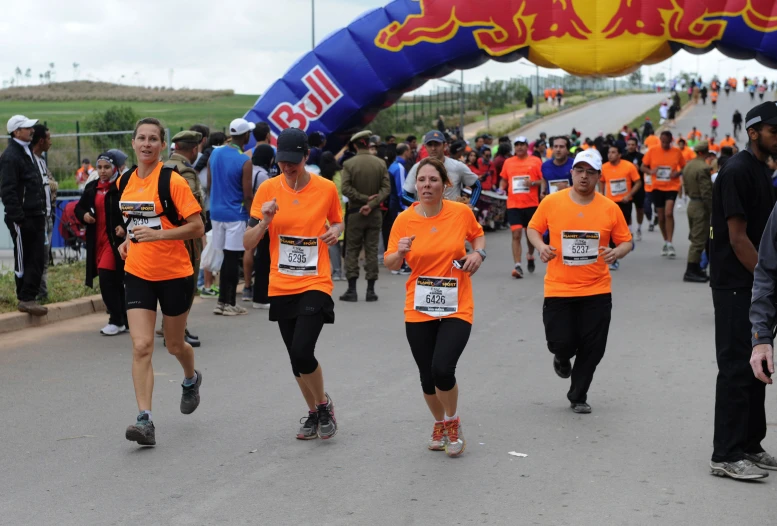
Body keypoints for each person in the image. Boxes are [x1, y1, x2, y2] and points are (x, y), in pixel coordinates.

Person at [243, 127, 342, 441]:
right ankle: (314, 412)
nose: (287, 168)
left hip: (315, 280)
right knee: (294, 359)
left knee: (302, 350)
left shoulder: (325, 188)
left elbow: (337, 220)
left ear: (306, 156)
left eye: (293, 162)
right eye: (282, 162)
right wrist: (265, 221)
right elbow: (247, 242)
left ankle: (324, 405)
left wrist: (335, 231)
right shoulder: (268, 190)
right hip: (282, 283)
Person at [384, 157, 486, 457]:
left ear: (446, 185)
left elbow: (477, 236)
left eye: (433, 180)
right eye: (422, 180)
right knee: (426, 375)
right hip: (418, 306)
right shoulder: (404, 220)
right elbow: (390, 261)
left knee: (443, 368)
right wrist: (398, 253)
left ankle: (452, 422)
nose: (427, 185)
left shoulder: (461, 213)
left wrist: (479, 255)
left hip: (456, 305)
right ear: (416, 185)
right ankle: (438, 423)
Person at [118, 117, 205, 446]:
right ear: (133, 142)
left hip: (174, 274)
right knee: (141, 346)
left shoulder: (173, 182)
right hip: (138, 272)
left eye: (153, 139)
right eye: (141, 137)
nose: (146, 144)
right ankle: (145, 420)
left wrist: (159, 235)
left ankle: (190, 378)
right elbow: (131, 219)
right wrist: (128, 240)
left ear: (161, 144)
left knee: (173, 345)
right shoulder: (124, 180)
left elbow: (197, 227)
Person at [527, 150, 632, 413]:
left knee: (593, 348)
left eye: (590, 172)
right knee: (560, 342)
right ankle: (561, 357)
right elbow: (533, 228)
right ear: (572, 172)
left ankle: (578, 394)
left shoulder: (610, 208)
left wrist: (615, 252)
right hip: (559, 287)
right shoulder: (552, 202)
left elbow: (626, 241)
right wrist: (541, 246)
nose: (584, 176)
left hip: (597, 288)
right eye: (580, 170)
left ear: (598, 176)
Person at [709, 102, 777, 480]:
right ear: (753, 132)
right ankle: (726, 453)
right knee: (736, 368)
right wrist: (767, 281)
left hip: (755, 286)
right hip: (737, 286)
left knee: (758, 366)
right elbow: (738, 239)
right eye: (774, 132)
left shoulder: (761, 169)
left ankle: (751, 444)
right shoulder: (735, 171)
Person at [75, 151, 127, 335]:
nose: (103, 171)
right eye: (100, 167)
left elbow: (133, 210)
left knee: (106, 277)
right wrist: (84, 216)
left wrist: (124, 226)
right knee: (114, 281)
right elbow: (79, 208)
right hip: (96, 240)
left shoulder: (124, 186)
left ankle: (116, 319)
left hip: (115, 243)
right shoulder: (92, 187)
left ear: (116, 168)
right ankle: (123, 318)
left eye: (107, 167)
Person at [0, 115, 48, 316]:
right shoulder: (11, 156)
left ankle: (31, 296)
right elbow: (7, 190)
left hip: (36, 215)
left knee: (37, 257)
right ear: (16, 132)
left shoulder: (27, 151)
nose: (31, 130)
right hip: (23, 218)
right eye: (27, 127)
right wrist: (18, 217)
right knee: (24, 257)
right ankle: (25, 298)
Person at [163, 130, 207, 347]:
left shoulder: (163, 167)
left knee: (171, 284)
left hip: (166, 234)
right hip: (186, 236)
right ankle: (178, 330)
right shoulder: (185, 171)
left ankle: (168, 327)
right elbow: (188, 205)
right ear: (194, 148)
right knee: (186, 284)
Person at [208, 118, 254, 315]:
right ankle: (228, 303)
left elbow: (209, 185)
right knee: (232, 258)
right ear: (245, 136)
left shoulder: (215, 153)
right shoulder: (245, 160)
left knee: (225, 256)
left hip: (216, 212)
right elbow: (247, 194)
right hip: (235, 214)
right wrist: (254, 217)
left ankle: (221, 302)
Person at [339, 130, 391, 302]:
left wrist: (362, 200)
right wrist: (372, 204)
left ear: (355, 145)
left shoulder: (349, 164)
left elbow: (345, 188)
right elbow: (386, 189)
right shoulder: (380, 164)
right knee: (372, 249)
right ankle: (371, 291)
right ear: (368, 144)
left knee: (352, 249)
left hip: (355, 213)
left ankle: (352, 290)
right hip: (375, 213)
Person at [402, 130, 481, 207]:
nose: (433, 148)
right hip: (427, 218)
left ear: (444, 145)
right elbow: (405, 195)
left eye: (437, 144)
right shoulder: (418, 168)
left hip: (451, 217)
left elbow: (477, 185)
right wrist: (421, 206)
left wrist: (471, 205)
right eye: (430, 145)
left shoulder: (457, 166)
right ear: (425, 146)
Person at [501, 136, 542, 278]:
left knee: (530, 236)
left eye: (522, 144)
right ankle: (517, 266)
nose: (519, 147)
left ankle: (530, 255)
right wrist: (501, 189)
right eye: (517, 144)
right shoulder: (508, 162)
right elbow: (504, 179)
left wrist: (532, 183)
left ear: (527, 146)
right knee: (516, 233)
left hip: (531, 204)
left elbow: (543, 180)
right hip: (513, 204)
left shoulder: (535, 161)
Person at [641, 131, 686, 258]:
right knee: (661, 217)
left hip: (672, 186)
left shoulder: (677, 152)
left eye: (667, 142)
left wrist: (677, 173)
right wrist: (650, 171)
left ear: (671, 141)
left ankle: (670, 243)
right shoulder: (653, 151)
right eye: (663, 142)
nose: (665, 144)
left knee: (668, 213)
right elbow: (642, 167)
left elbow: (684, 166)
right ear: (660, 140)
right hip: (657, 187)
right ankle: (666, 241)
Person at [599, 145, 641, 271]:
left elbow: (638, 182)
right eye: (609, 152)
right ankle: (614, 258)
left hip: (624, 201)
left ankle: (627, 240)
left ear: (619, 155)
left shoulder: (628, 166)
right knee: (611, 229)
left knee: (623, 226)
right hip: (610, 203)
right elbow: (601, 181)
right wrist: (601, 195)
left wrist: (629, 195)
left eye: (613, 152)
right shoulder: (604, 167)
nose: (610, 155)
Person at [30, 123, 57, 302]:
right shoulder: (29, 161)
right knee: (36, 258)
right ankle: (36, 293)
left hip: (48, 215)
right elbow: (50, 185)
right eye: (48, 138)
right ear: (41, 141)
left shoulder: (41, 161)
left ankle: (43, 292)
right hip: (36, 218)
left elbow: (53, 184)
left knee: (44, 258)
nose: (51, 142)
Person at [681, 141, 713, 283]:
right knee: (698, 240)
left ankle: (696, 269)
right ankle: (691, 270)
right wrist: (712, 209)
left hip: (692, 203)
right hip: (700, 205)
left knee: (696, 236)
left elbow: (686, 187)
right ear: (703, 152)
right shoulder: (704, 167)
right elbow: (706, 192)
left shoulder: (688, 166)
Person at [250, 144, 276, 306]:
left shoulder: (250, 169)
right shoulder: (263, 176)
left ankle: (250, 290)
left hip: (249, 217)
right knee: (264, 258)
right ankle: (261, 296)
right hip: (261, 218)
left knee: (257, 255)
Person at [318, 151, 344, 282]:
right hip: (342, 211)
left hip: (326, 213)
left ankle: (336, 271)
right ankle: (343, 271)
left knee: (331, 243)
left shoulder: (320, 178)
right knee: (342, 243)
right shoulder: (341, 174)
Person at [387, 143, 413, 275]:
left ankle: (398, 264)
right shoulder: (400, 167)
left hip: (393, 204)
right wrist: (405, 208)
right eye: (409, 150)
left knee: (397, 235)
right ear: (405, 151)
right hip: (398, 205)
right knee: (402, 235)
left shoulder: (393, 165)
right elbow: (401, 191)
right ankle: (401, 265)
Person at [622, 137, 648, 239]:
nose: (631, 146)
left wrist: (639, 169)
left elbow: (646, 169)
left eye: (633, 144)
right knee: (628, 209)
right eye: (629, 144)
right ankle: (630, 229)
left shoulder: (641, 157)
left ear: (636, 146)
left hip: (639, 186)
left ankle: (639, 228)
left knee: (639, 209)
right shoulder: (623, 157)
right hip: (627, 187)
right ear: (627, 146)